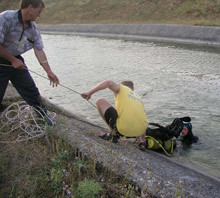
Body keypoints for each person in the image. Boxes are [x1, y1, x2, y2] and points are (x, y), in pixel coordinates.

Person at [0, 0, 59, 124]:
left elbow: (39, 50)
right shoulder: (5, 18)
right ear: (31, 7)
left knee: (31, 90)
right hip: (3, 61)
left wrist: (49, 71)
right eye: (39, 11)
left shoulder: (33, 27)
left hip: (16, 61)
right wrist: (12, 60)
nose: (39, 14)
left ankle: (44, 118)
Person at [81, 80, 148, 151]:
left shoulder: (121, 89)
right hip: (140, 131)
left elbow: (108, 82)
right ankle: (141, 142)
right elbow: (143, 118)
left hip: (123, 130)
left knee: (100, 101)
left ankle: (114, 135)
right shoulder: (138, 98)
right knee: (136, 114)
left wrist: (89, 93)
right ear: (133, 89)